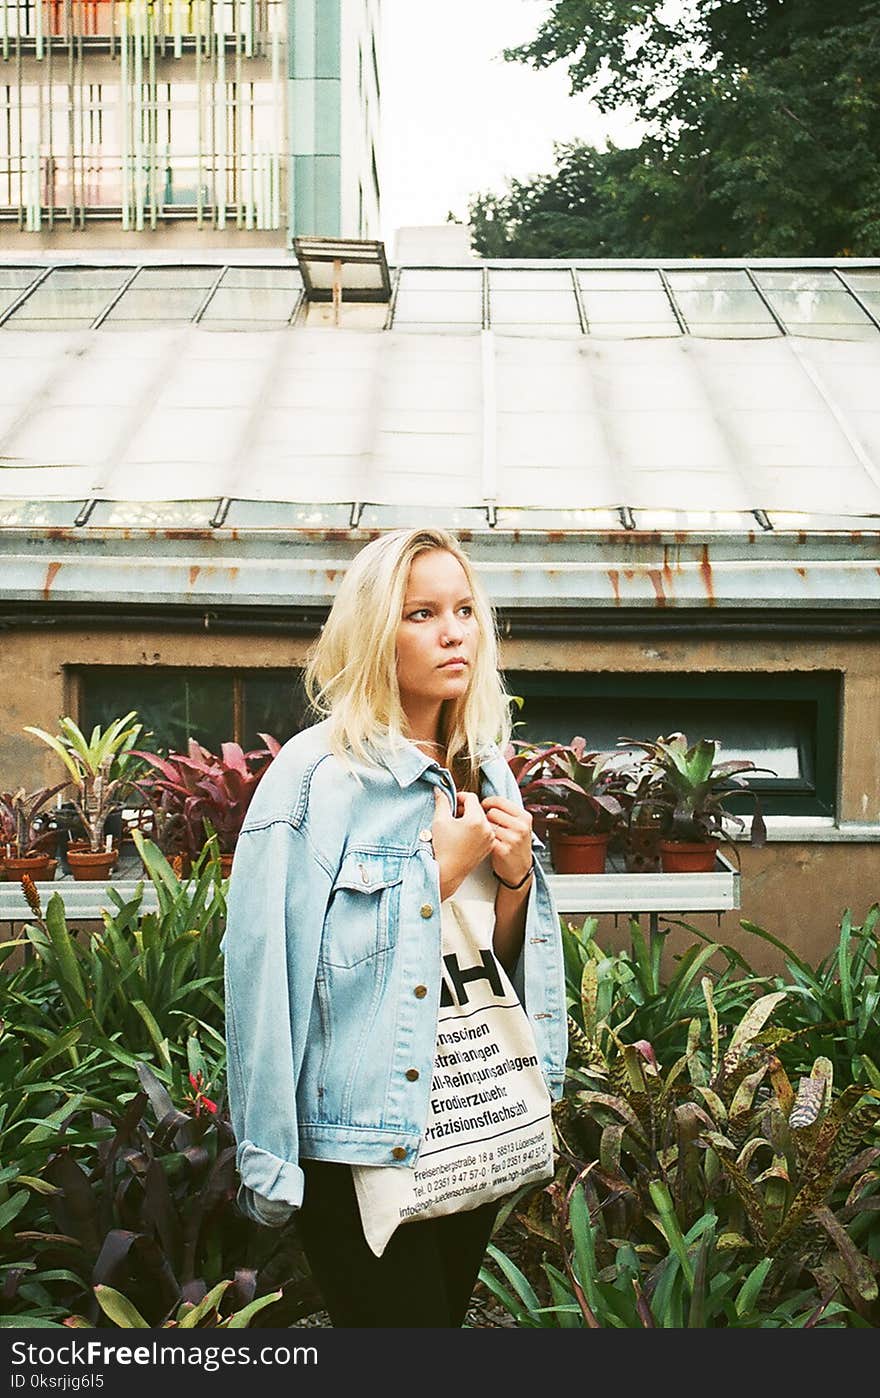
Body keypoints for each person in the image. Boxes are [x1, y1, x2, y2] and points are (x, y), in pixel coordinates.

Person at [222, 527, 567, 1327]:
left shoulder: (486, 765)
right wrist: (433, 873)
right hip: (362, 1140)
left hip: (469, 1111)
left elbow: (496, 960)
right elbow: (268, 973)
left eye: (464, 610)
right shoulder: (317, 778)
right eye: (421, 613)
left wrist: (513, 880)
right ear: (377, 630)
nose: (453, 633)